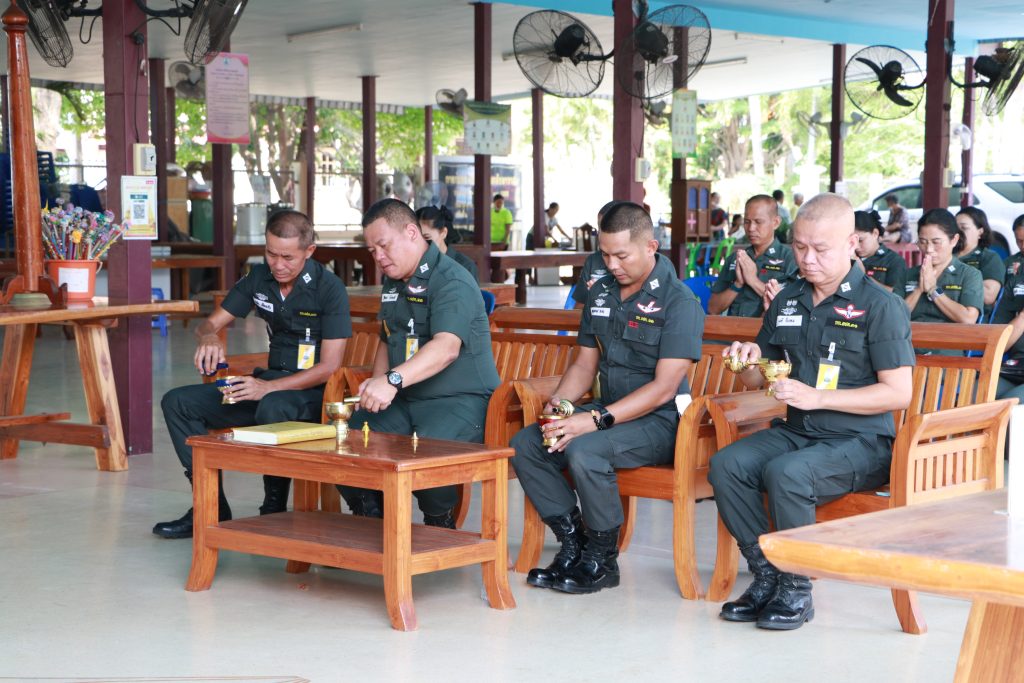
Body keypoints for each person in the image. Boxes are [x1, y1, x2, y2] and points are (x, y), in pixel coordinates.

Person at [708, 193, 915, 630]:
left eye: (820, 249)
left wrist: (819, 397)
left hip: (861, 441)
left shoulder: (880, 305)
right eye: (800, 247)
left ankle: (796, 586)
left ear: (852, 244)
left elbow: (898, 393)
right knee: (728, 464)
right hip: (800, 431)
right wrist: (746, 361)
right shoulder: (788, 299)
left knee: (788, 473)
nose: (807, 259)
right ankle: (766, 572)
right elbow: (757, 380)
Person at [510, 201, 704, 594]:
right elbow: (585, 364)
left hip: (662, 421)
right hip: (609, 412)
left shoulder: (679, 302)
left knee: (587, 450)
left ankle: (602, 559)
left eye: (622, 255)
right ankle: (574, 543)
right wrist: (561, 405)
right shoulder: (601, 293)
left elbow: (664, 388)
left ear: (650, 247)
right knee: (529, 442)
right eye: (605, 255)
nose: (612, 265)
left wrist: (593, 421)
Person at [154, 210, 351, 539]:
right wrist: (209, 336)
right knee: (178, 402)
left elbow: (329, 367)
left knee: (273, 406)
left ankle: (273, 508)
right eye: (271, 253)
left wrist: (267, 388)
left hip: (312, 394)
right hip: (265, 385)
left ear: (309, 251)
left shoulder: (329, 288)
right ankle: (210, 504)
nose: (278, 264)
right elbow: (210, 322)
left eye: (287, 257)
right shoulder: (260, 278)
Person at [337, 198, 500, 527]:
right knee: (347, 446)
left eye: (384, 246)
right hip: (406, 398)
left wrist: (391, 381)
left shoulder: (451, 280)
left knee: (424, 456)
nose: (378, 257)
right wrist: (376, 388)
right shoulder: (393, 281)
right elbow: (388, 338)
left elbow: (446, 348)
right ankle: (376, 524)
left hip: (459, 400)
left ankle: (439, 524)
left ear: (412, 233)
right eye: (372, 251)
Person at [709, 195, 797, 317]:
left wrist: (753, 280)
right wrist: (737, 284)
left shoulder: (790, 258)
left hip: (766, 328)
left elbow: (791, 307)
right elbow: (713, 309)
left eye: (758, 222)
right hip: (733, 327)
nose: (751, 228)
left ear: (776, 222)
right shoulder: (736, 258)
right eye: (747, 222)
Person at [902, 209, 984, 328]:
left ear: (954, 240)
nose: (929, 249)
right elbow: (894, 316)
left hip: (949, 339)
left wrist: (933, 289)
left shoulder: (969, 275)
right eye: (923, 242)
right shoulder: (908, 274)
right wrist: (919, 289)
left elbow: (968, 318)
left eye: (936, 242)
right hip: (910, 339)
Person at [993, 214, 1024, 403]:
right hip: (1016, 364)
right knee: (974, 394)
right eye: (1020, 241)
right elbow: (999, 336)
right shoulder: (1015, 279)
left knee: (1009, 405)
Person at [571, 200, 624, 308]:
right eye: (600, 227)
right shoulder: (593, 261)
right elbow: (579, 307)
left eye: (607, 227)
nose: (601, 233)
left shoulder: (639, 261)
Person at [955, 206, 1004, 318]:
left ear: (980, 232)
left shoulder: (988, 257)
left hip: (973, 317)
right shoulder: (945, 255)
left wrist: (952, 283)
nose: (958, 232)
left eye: (964, 228)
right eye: (955, 228)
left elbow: (988, 296)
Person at [416, 204, 479, 281]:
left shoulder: (465, 266)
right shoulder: (415, 263)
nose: (420, 244)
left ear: (443, 233)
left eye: (426, 238)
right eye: (416, 239)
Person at [854, 209, 907, 292]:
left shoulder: (893, 260)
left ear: (875, 233)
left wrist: (864, 276)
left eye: (860, 240)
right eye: (851, 242)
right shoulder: (847, 258)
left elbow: (896, 296)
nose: (856, 246)